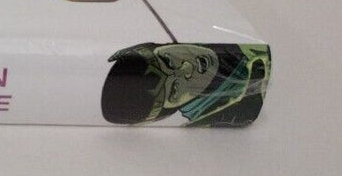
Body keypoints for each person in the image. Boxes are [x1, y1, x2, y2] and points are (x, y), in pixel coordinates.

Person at [101, 43, 270, 127]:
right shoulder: (235, 110)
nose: (187, 68)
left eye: (169, 60)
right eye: (174, 89)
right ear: (166, 114)